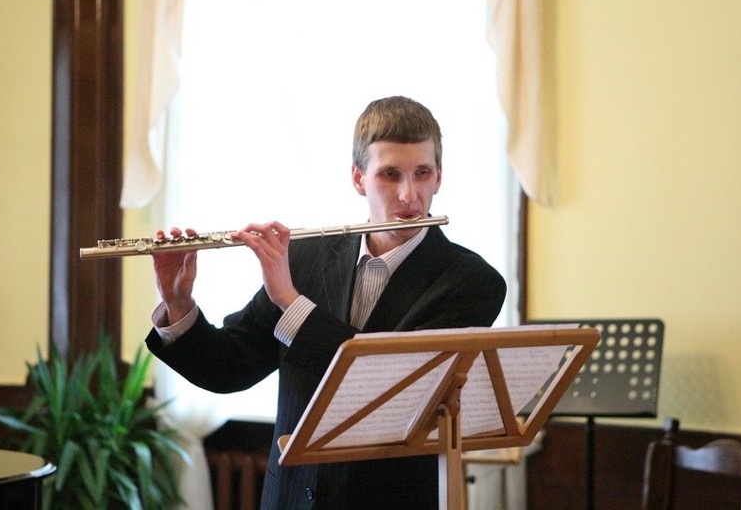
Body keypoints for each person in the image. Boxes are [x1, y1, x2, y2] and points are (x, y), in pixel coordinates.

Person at [145, 96, 507, 510]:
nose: (410, 195)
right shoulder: (305, 258)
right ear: (358, 178)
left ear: (438, 176)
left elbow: (382, 387)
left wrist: (290, 301)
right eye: (390, 175)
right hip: (291, 498)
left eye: (422, 173)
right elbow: (230, 368)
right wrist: (178, 302)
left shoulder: (472, 282)